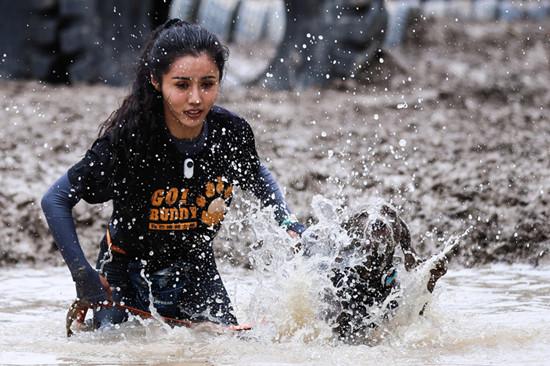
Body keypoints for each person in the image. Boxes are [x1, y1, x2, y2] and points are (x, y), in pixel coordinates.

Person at [41, 19, 305, 331]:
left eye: (207, 84)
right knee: (109, 346)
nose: (196, 99)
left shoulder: (230, 132)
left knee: (228, 346)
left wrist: (287, 222)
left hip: (196, 269)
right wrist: (84, 276)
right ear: (156, 81)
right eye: (181, 85)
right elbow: (55, 199)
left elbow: (256, 173)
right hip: (125, 272)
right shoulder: (130, 139)